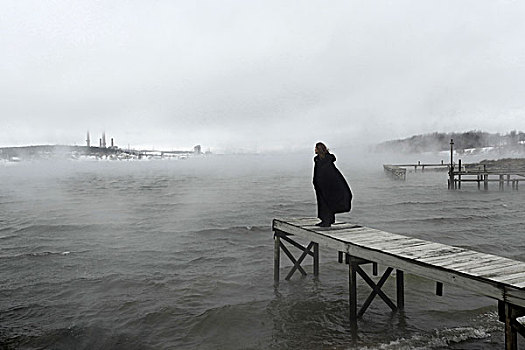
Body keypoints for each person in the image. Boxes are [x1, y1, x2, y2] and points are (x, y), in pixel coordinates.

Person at [313, 142, 352, 227]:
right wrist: (316, 182)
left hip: (329, 185)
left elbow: (330, 173)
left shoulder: (327, 159)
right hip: (321, 185)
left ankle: (327, 221)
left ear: (319, 149)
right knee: (323, 202)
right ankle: (325, 220)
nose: (314, 150)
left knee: (328, 201)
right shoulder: (317, 159)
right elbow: (317, 172)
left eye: (316, 148)